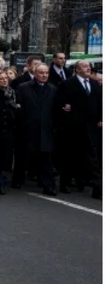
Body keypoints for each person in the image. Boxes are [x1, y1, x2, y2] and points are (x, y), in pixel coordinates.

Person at [55, 60, 103, 198]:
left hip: (91, 128)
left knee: (92, 159)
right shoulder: (67, 84)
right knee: (70, 157)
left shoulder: (94, 84)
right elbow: (60, 102)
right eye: (85, 67)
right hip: (73, 128)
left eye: (89, 66)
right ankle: (65, 182)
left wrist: (100, 119)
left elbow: (100, 104)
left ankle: (97, 187)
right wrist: (64, 108)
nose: (88, 68)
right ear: (77, 69)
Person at [15, 64, 58, 196]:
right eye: (41, 73)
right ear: (35, 73)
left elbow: (55, 109)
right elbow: (18, 108)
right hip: (28, 127)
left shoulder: (52, 89)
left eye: (46, 73)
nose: (44, 75)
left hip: (45, 129)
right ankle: (17, 179)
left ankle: (48, 185)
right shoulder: (23, 88)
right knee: (23, 156)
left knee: (46, 159)